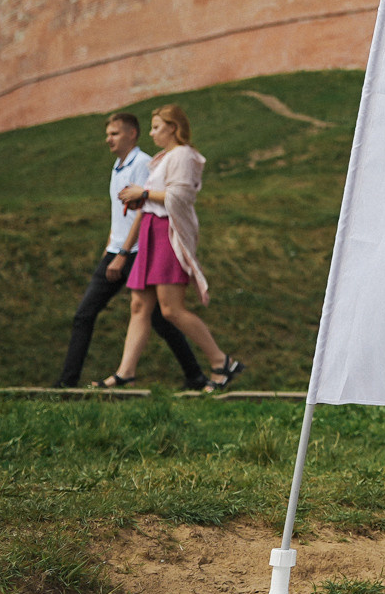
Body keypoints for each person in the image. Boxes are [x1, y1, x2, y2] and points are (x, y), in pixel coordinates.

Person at [98, 106, 244, 391]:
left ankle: (220, 361)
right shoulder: (164, 158)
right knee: (139, 305)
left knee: (171, 310)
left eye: (156, 127)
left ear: (173, 128)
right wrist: (142, 202)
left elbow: (182, 196)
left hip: (167, 233)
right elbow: (158, 198)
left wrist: (144, 193)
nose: (152, 133)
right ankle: (125, 372)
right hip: (151, 231)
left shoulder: (184, 155)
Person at [57, 113, 207, 390]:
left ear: (131, 134)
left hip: (136, 251)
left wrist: (123, 253)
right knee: (94, 315)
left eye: (114, 134)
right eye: (108, 134)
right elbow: (120, 214)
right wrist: (110, 248)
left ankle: (205, 371)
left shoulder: (144, 164)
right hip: (117, 249)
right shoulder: (117, 167)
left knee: (162, 317)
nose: (108, 139)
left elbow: (146, 210)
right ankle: (71, 380)